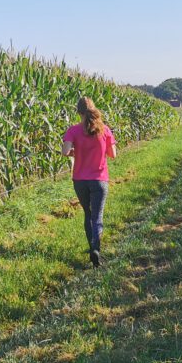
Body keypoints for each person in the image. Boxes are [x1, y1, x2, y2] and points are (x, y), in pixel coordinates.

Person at [61, 97, 117, 267]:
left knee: (88, 214)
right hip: (99, 179)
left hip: (80, 180)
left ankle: (92, 248)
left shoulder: (73, 130)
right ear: (93, 109)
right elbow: (113, 154)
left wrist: (77, 152)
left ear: (78, 112)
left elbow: (65, 151)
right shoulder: (104, 129)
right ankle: (95, 249)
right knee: (97, 216)